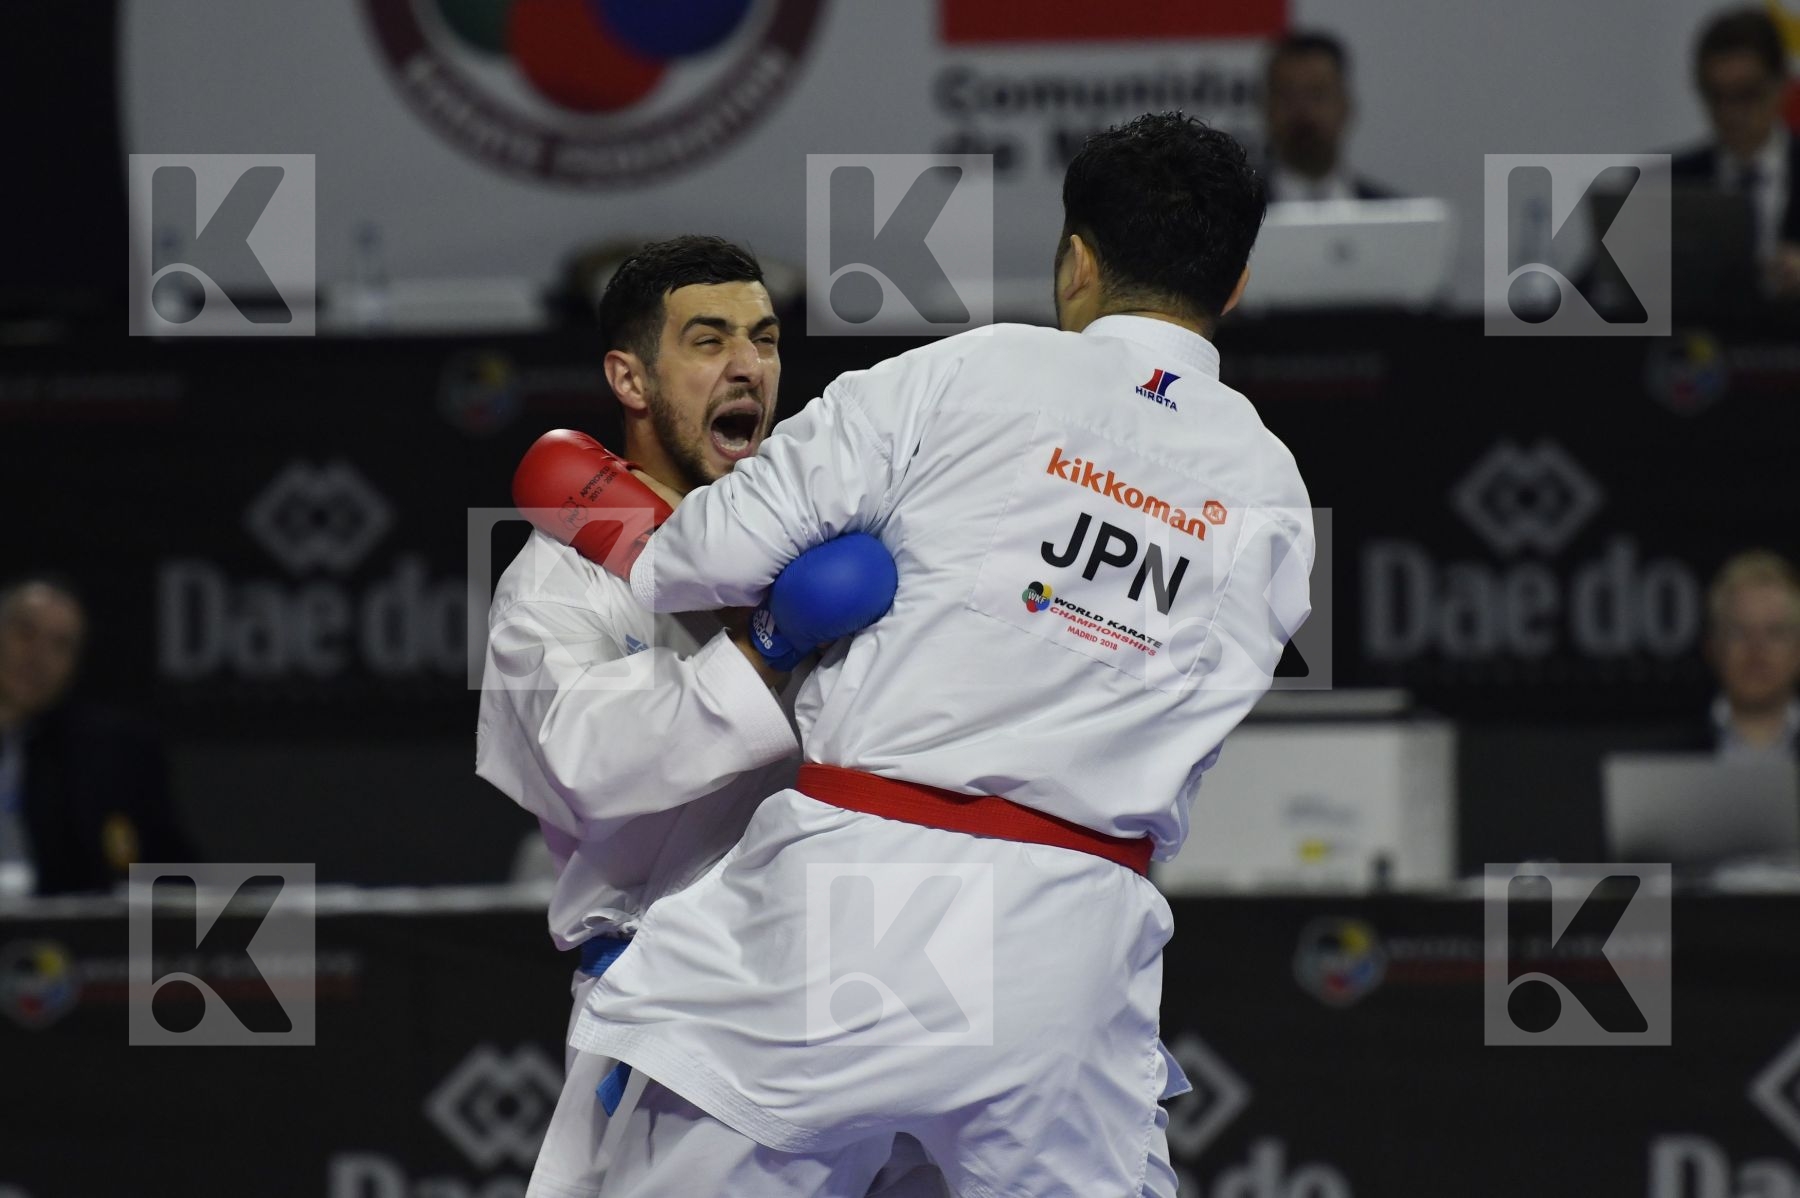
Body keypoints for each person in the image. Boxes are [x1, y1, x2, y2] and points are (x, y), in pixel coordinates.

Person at [570, 113, 1314, 1197]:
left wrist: (608, 513)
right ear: (1235, 285)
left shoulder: (961, 375)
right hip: (1073, 936)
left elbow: (703, 558)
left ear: (1076, 262)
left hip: (854, 901)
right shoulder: (1275, 493)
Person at [476, 236, 946, 1197]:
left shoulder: (825, 526)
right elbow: (591, 762)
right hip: (683, 1006)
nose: (749, 365)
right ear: (630, 376)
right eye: (709, 339)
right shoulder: (556, 582)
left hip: (876, 979)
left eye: (765, 339)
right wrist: (765, 648)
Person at [0, 574, 190, 897]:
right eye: (25, 634)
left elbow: (172, 875)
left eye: (60, 646)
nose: (38, 658)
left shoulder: (109, 756)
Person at [1673, 7, 1800, 299]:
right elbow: (1587, 294)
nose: (1730, 114)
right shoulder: (1668, 183)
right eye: (1716, 96)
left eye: (1747, 94)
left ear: (1781, 86)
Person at [1262, 31, 1395, 202]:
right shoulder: (1235, 218)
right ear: (1266, 107)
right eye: (1287, 96)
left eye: (1317, 94)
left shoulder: (1390, 215)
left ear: (1345, 106)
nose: (1303, 111)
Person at [1699, 549, 1800, 757]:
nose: (1757, 649)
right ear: (1713, 647)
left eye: (1775, 632)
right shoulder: (1658, 754)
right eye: (1739, 632)